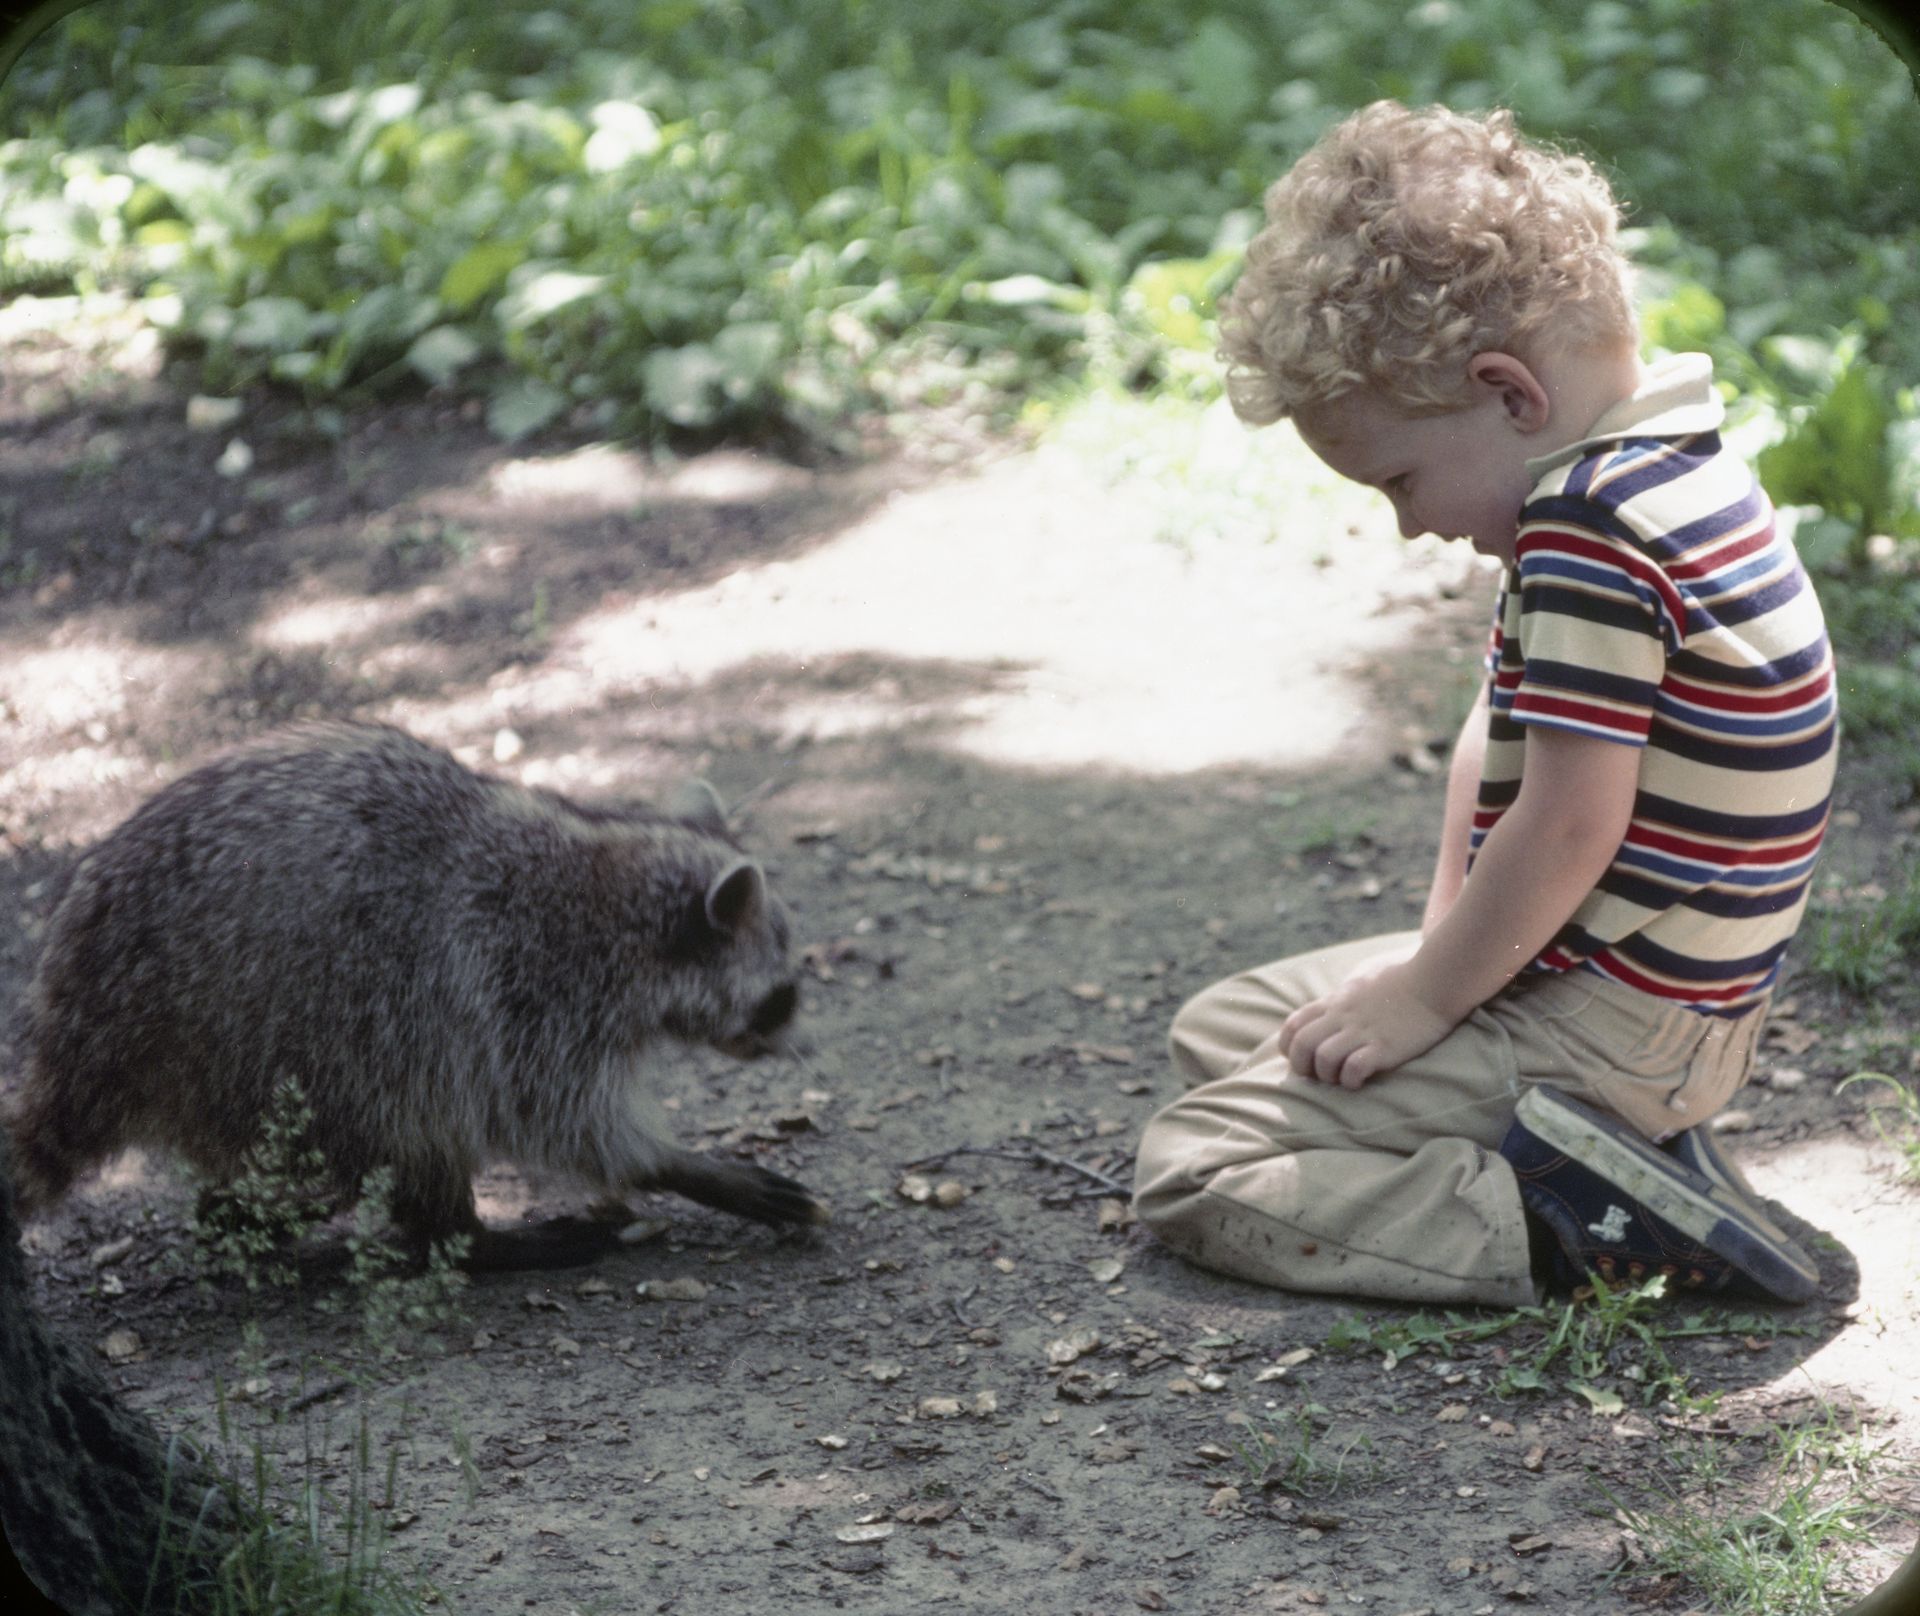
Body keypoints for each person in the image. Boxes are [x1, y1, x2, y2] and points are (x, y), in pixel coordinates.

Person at [1131, 100, 1836, 1308]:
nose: (1410, 522)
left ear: (1507, 393)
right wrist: (1436, 945)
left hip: (1618, 1023)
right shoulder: (1662, 461)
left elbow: (1569, 823)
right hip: (1613, 987)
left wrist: (1428, 996)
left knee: (1200, 1159)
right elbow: (1497, 733)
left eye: (1400, 477)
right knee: (1226, 1028)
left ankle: (1576, 1217)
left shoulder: (1595, 529)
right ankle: (1591, 1152)